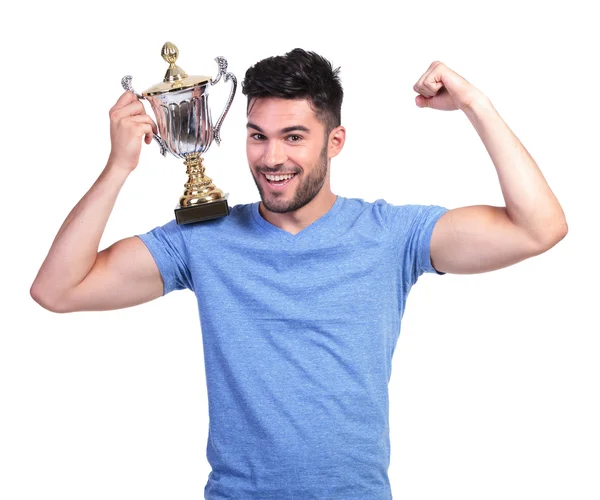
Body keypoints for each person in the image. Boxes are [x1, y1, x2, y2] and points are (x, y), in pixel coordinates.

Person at [30, 48, 568, 499]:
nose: (270, 157)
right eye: (257, 135)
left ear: (334, 143)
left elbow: (538, 228)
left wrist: (476, 103)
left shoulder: (389, 235)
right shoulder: (204, 239)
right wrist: (118, 166)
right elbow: (57, 290)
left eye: (293, 137)